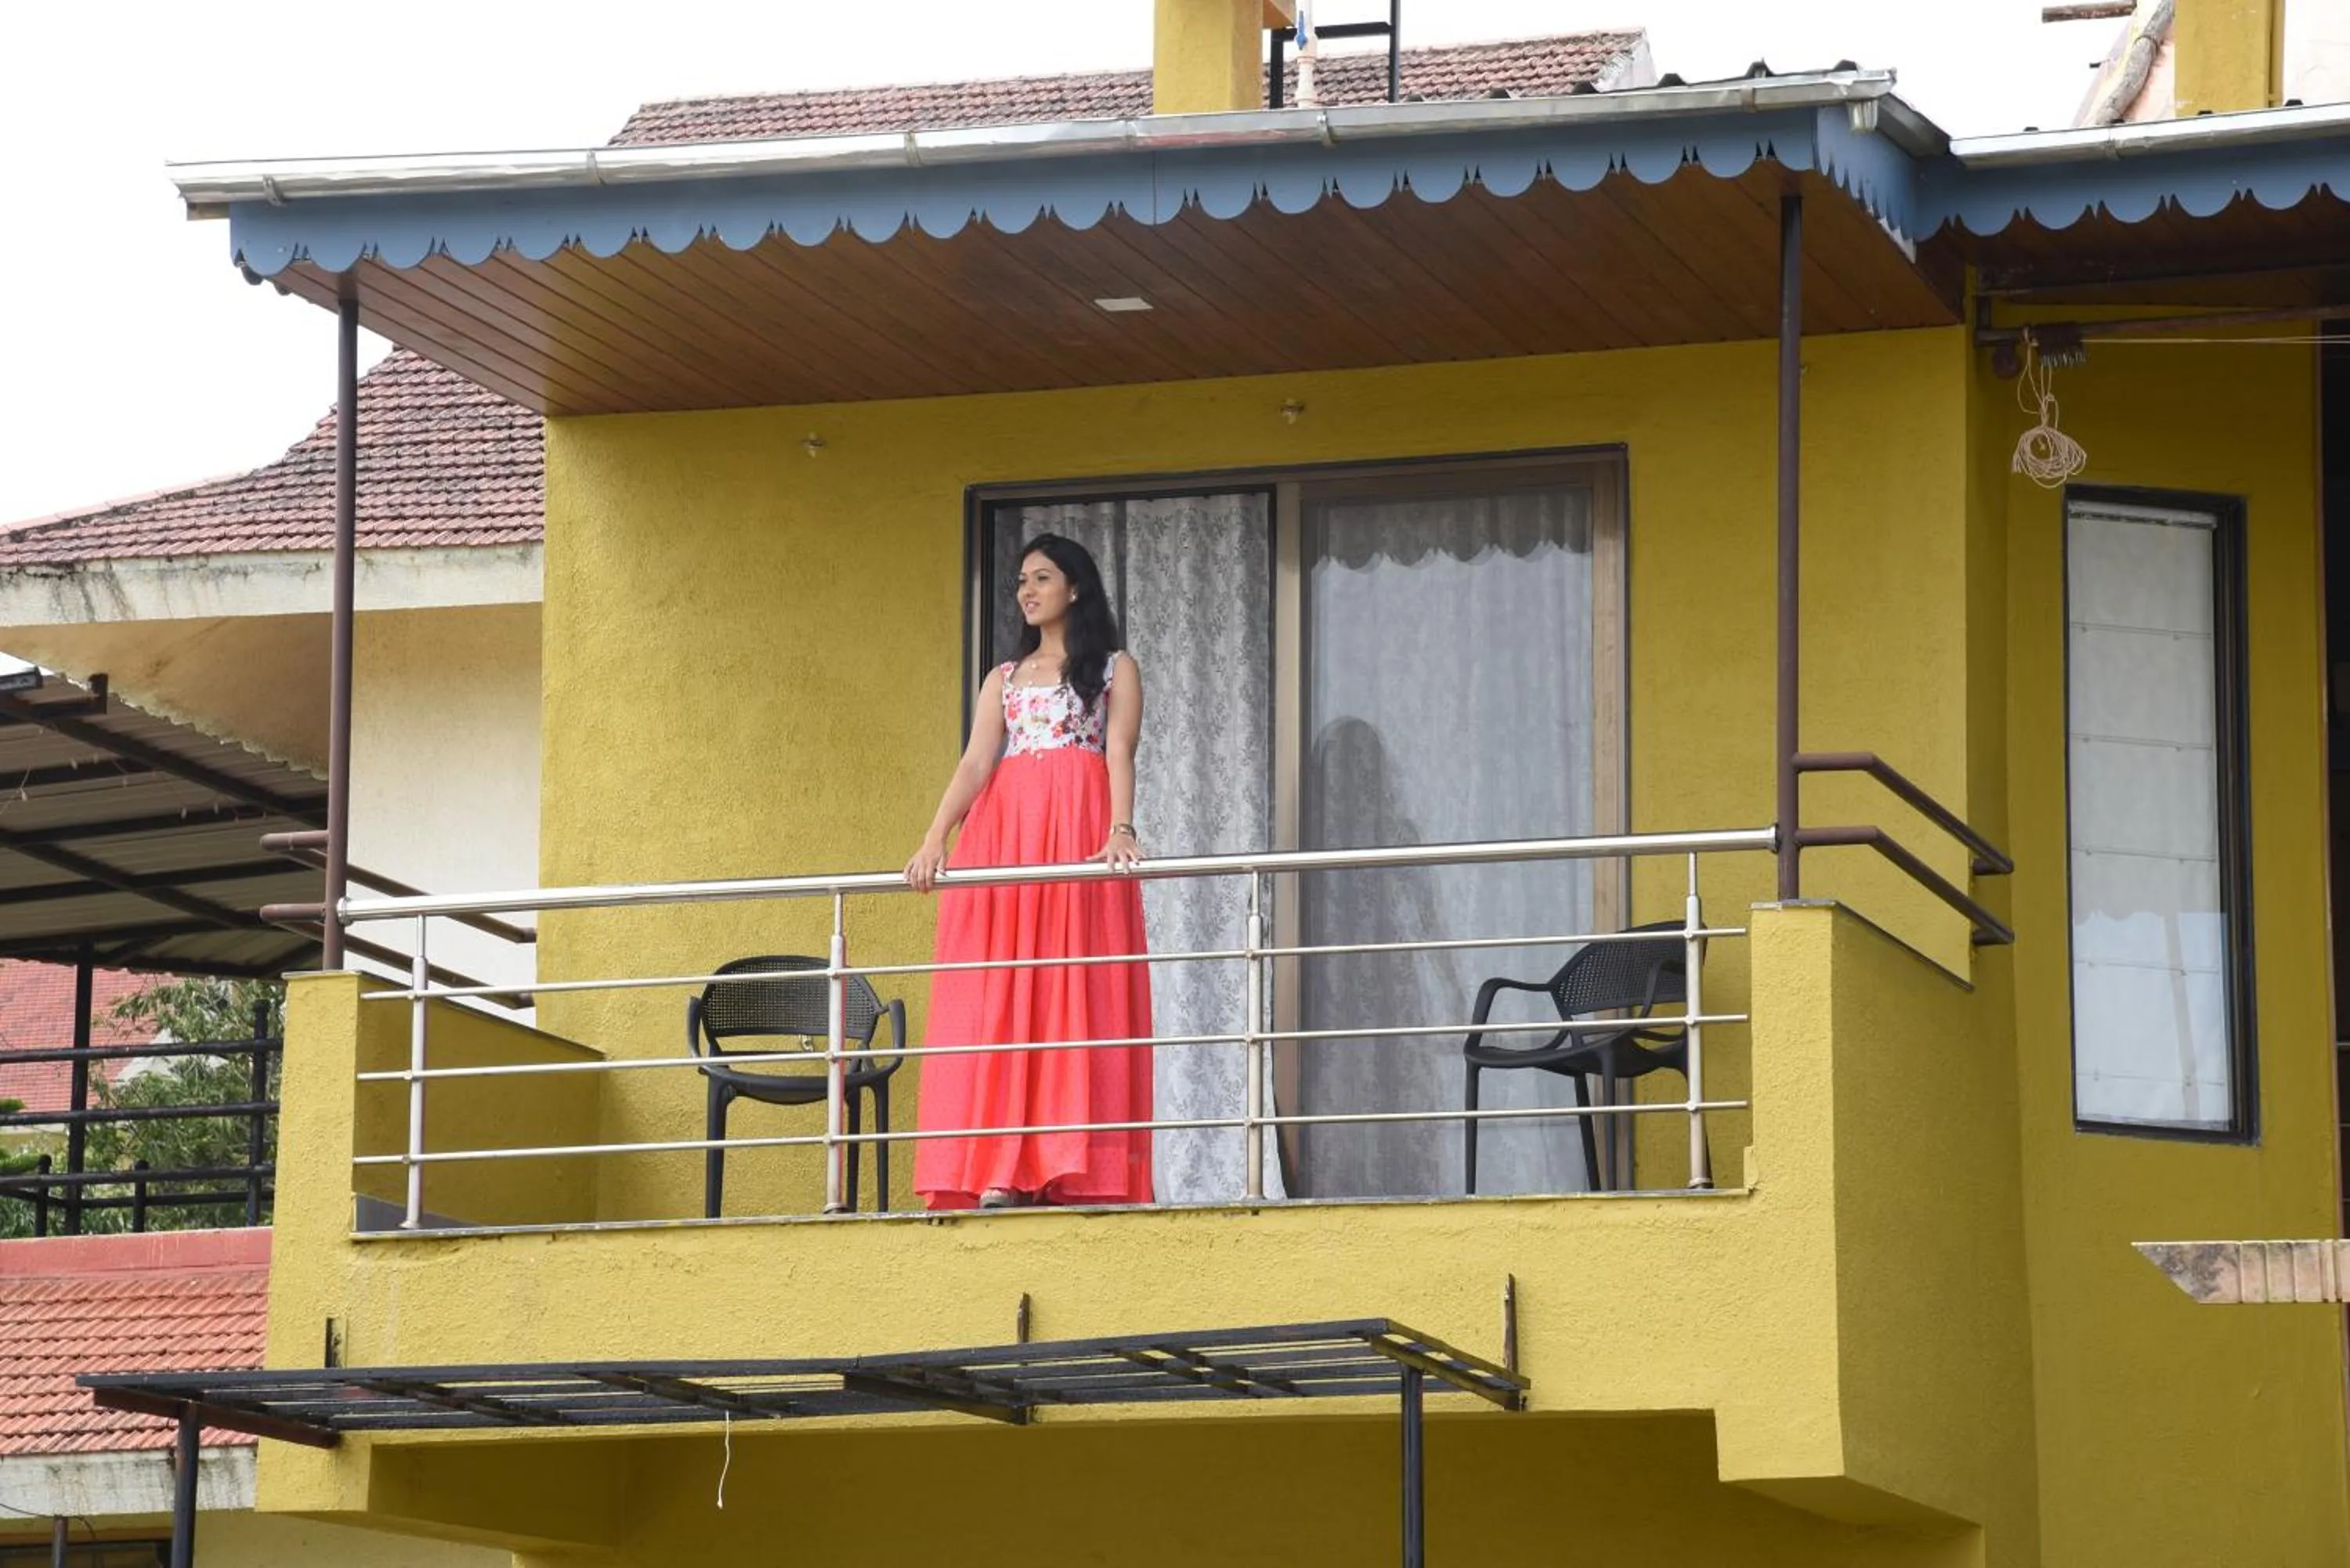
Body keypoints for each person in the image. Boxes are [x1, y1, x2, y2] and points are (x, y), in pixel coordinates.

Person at [903, 534, 1154, 1209]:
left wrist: (1120, 830)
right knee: (1001, 997)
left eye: (1042, 578)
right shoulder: (1004, 677)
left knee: (1066, 990)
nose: (1027, 591)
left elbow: (1120, 752)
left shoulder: (1112, 668)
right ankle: (995, 1164)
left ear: (1075, 588)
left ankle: (1064, 1164)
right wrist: (935, 839)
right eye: (1021, 581)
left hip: (1075, 827)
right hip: (1005, 836)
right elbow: (976, 763)